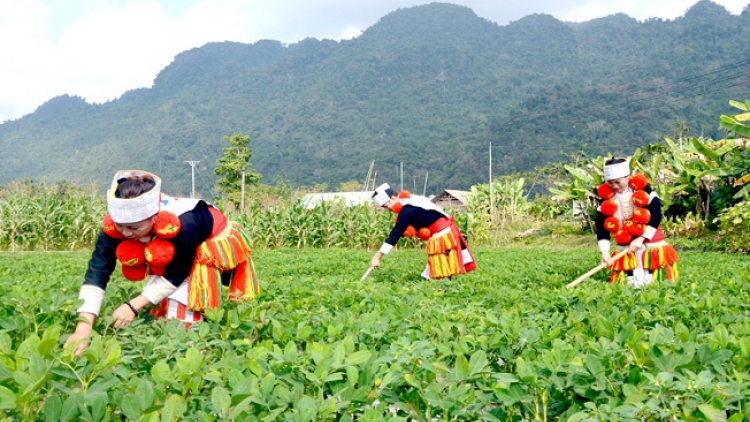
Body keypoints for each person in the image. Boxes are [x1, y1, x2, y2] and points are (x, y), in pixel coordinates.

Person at [64, 170, 259, 355]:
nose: (125, 233)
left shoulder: (185, 223)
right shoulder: (116, 225)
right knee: (158, 304)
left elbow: (177, 273)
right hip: (172, 244)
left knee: (182, 314)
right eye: (120, 227)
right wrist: (83, 327)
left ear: (154, 218)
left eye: (133, 228)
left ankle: (196, 332)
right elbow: (97, 271)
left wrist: (132, 306)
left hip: (208, 240)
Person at [595, 157, 678, 287]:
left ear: (627, 177)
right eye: (610, 183)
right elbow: (601, 227)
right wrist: (604, 252)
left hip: (650, 240)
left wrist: (641, 238)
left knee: (653, 278)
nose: (615, 186)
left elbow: (656, 216)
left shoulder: (645, 191)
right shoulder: (606, 200)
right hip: (625, 242)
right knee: (630, 282)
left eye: (618, 182)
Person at [368, 183, 476, 279]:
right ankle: (442, 286)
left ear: (392, 198)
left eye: (386, 206)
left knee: (440, 268)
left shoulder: (407, 209)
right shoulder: (410, 202)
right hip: (444, 231)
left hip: (442, 233)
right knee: (437, 267)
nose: (388, 210)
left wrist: (377, 257)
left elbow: (395, 235)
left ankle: (443, 290)